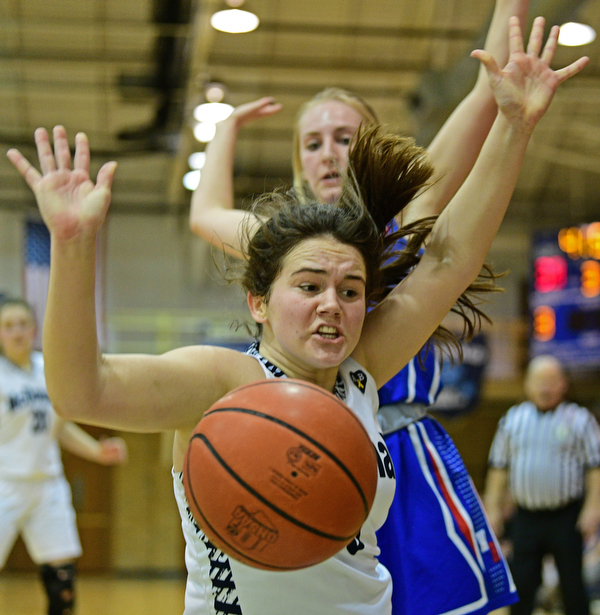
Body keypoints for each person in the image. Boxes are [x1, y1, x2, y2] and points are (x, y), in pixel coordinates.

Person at [5, 18, 588, 615]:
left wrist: (514, 127)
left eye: (351, 290)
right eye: (308, 286)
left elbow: (449, 255)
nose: (332, 303)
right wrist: (72, 245)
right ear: (258, 301)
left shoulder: (363, 373)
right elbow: (82, 390)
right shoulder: (224, 382)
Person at [189, 2, 527, 613]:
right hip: (304, 446)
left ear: (372, 146)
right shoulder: (286, 242)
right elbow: (205, 215)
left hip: (401, 442)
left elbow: (488, 85)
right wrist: (227, 129)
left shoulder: (405, 217)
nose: (327, 153)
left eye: (344, 138)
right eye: (312, 142)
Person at [0, 297, 128, 615]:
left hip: (48, 485)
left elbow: (59, 427)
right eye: (8, 325)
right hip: (5, 483)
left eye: (22, 324)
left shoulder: (48, 370)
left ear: (34, 329)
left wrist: (97, 451)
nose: (16, 331)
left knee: (63, 580)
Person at [484, 355, 600, 615]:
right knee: (521, 586)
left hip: (567, 516)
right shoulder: (511, 420)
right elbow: (498, 468)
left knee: (573, 587)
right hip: (526, 518)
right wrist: (491, 509)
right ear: (527, 384)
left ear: (563, 384)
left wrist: (593, 509)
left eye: (551, 381)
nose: (545, 387)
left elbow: (595, 469)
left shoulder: (580, 420)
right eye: (539, 381)